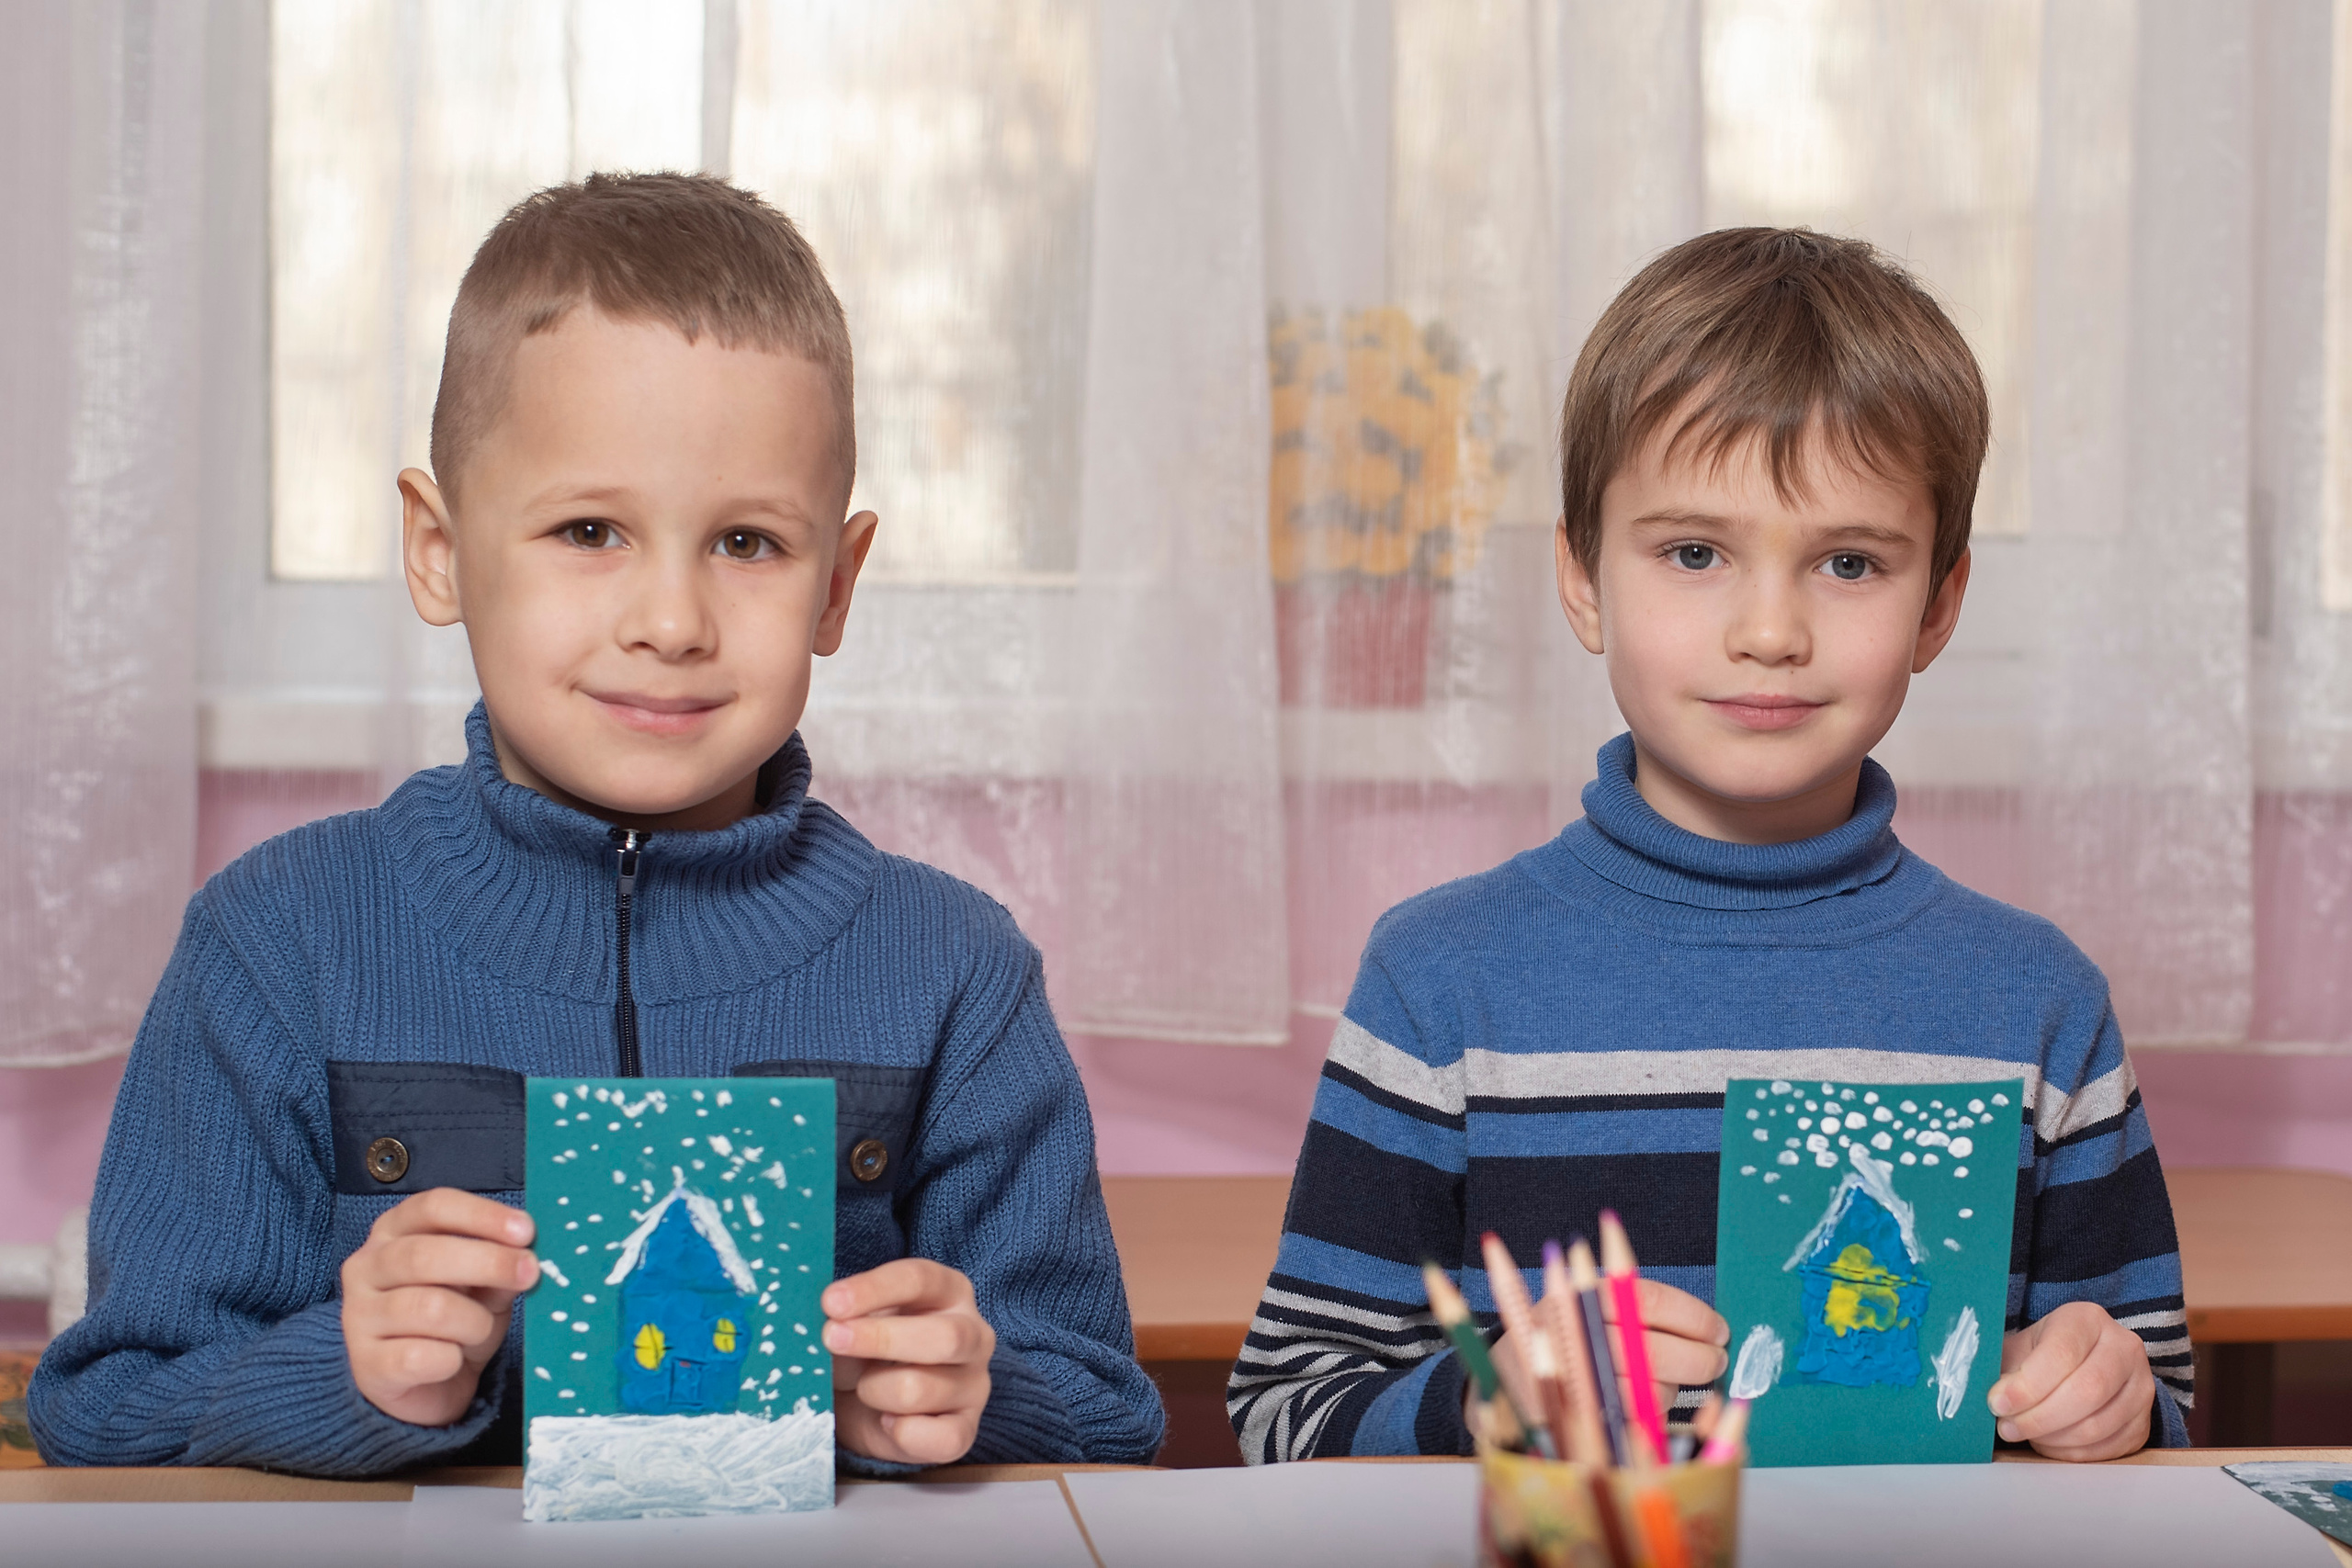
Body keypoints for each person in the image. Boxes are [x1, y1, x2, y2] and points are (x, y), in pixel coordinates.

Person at [31, 173, 1162, 1475]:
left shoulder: (955, 973)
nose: (672, 621)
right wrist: (343, 1375)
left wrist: (963, 1396)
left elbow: (1106, 1403)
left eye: (747, 543)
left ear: (838, 586)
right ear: (440, 551)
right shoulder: (276, 944)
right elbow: (104, 1408)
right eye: (589, 530)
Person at [1229, 228, 2188, 1463]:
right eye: (1695, 554)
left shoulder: (2039, 1000)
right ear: (1581, 580)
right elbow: (1281, 1410)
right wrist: (1487, 1399)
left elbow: (2152, 1390)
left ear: (1939, 605)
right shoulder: (1440, 980)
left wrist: (2105, 1397)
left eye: (1849, 562)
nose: (1771, 629)